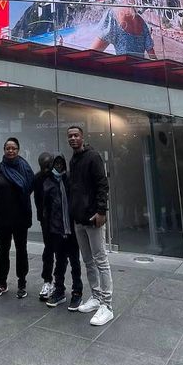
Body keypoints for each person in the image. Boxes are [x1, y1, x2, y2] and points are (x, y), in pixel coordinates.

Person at [67, 125, 114, 325]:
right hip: (79, 219)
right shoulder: (73, 159)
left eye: (76, 135)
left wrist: (102, 211)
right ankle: (95, 297)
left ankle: (107, 305)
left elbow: (102, 184)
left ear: (83, 137)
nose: (73, 138)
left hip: (93, 217)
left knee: (101, 260)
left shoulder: (93, 157)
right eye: (70, 136)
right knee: (88, 261)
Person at [36, 154, 83, 310]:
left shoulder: (70, 180)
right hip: (56, 230)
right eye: (56, 163)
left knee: (75, 262)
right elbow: (45, 209)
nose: (59, 166)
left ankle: (77, 292)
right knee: (60, 262)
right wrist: (48, 229)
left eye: (61, 163)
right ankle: (59, 291)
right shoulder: (47, 182)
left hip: (72, 229)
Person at [0, 137, 34, 299]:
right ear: (4, 149)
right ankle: (1, 283)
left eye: (13, 148)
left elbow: (29, 187)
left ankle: (22, 283)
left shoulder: (25, 168)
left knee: (21, 250)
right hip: (3, 217)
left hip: (20, 217)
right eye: (8, 148)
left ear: (18, 150)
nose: (10, 151)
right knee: (3, 251)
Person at [33, 152, 55, 300]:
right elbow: (37, 199)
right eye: (43, 167)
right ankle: (47, 280)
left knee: (62, 251)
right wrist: (41, 217)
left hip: (59, 218)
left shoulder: (59, 176)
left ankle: (58, 282)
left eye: (47, 166)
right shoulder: (38, 178)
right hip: (47, 219)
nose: (46, 169)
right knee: (48, 249)